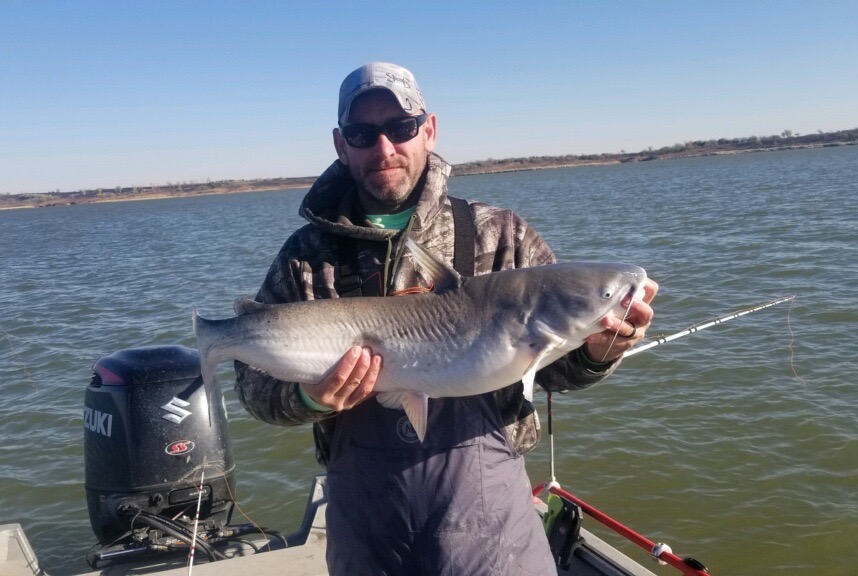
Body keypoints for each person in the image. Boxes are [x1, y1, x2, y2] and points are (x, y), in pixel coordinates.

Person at [234, 62, 658, 575]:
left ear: (428, 129)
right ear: (341, 144)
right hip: (366, 528)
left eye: (401, 128)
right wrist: (307, 398)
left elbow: (553, 371)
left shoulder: (500, 235)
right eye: (362, 133)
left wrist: (600, 350)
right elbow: (254, 386)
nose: (384, 147)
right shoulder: (306, 258)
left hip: (490, 523)